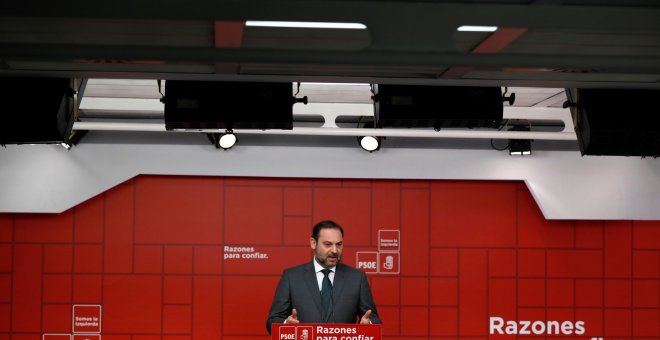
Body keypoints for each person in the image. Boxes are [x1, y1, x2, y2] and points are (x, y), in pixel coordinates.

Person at [266, 220, 382, 334]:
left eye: (339, 244)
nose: (335, 251)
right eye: (328, 244)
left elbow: (373, 319)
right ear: (313, 243)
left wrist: (369, 326)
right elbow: (272, 321)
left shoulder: (357, 278)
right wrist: (286, 324)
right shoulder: (291, 277)